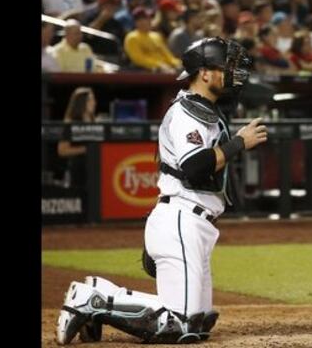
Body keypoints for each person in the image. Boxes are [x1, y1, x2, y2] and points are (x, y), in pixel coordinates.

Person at [56, 37, 267, 344]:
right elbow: (194, 167)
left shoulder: (206, 111)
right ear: (204, 73)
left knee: (198, 323)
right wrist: (238, 143)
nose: (235, 75)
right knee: (177, 324)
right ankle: (93, 298)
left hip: (191, 222)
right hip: (181, 219)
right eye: (228, 67)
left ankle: (101, 300)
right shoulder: (185, 113)